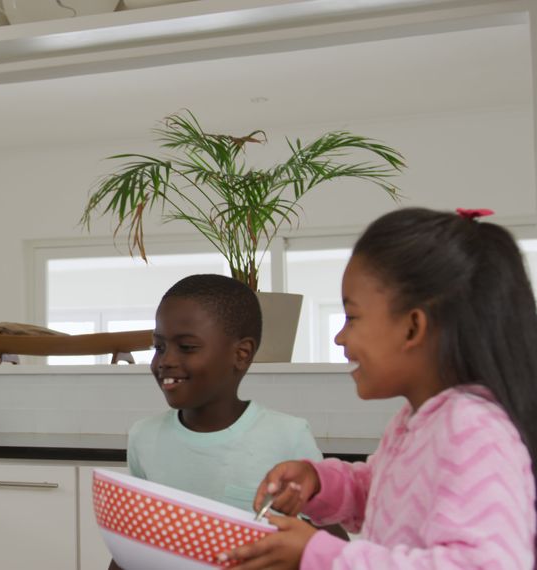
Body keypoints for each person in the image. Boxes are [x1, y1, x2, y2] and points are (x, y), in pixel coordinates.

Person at [227, 207, 537, 569]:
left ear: (412, 327)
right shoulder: (418, 420)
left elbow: (484, 564)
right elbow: (381, 492)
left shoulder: (472, 428)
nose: (340, 336)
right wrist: (318, 481)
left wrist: (322, 556)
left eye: (352, 316)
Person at [110, 274, 324, 569]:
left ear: (241, 354)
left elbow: (325, 542)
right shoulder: (143, 437)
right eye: (159, 347)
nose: (165, 361)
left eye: (186, 347)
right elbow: (131, 543)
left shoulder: (288, 436)